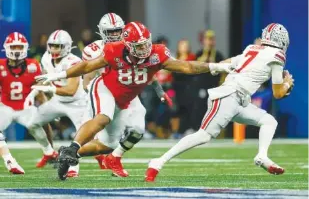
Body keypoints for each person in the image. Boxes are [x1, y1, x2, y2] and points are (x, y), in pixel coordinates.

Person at [35, 22, 232, 180]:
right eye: (139, 46)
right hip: (106, 88)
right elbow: (87, 66)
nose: (145, 48)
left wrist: (215, 67)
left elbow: (186, 67)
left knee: (111, 143)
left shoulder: (157, 53)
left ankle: (70, 155)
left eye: (146, 43)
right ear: (128, 45)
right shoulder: (114, 50)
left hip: (128, 97)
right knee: (103, 118)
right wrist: (58, 75)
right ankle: (73, 147)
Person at [145, 23, 293, 182]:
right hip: (229, 96)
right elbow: (278, 93)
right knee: (204, 135)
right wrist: (287, 83)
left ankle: (262, 156)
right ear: (282, 40)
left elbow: (230, 61)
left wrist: (218, 68)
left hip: (239, 100)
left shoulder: (252, 49)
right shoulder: (277, 55)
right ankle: (158, 161)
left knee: (269, 121)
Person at [81, 13, 172, 173]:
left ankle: (113, 157)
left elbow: (147, 71)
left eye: (118, 30)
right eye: (111, 32)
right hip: (103, 93)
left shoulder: (132, 45)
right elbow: (87, 78)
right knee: (101, 135)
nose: (115, 35)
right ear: (102, 32)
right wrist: (93, 98)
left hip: (127, 92)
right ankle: (72, 156)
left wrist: (159, 91)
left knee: (137, 129)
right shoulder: (94, 50)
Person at [26, 30, 87, 173]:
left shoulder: (73, 62)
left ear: (66, 46)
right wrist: (34, 93)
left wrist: (49, 90)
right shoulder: (46, 58)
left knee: (81, 137)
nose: (53, 49)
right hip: (58, 101)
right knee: (31, 123)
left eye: (57, 46)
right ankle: (48, 152)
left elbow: (71, 90)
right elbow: (45, 81)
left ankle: (73, 167)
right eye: (51, 46)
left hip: (77, 103)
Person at [0, 32, 55, 174]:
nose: (16, 50)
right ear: (7, 48)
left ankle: (49, 152)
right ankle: (9, 161)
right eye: (14, 47)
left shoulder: (33, 65)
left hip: (26, 107)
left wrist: (47, 107)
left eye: (19, 47)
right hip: (6, 106)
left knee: (39, 124)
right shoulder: (1, 66)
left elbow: (41, 90)